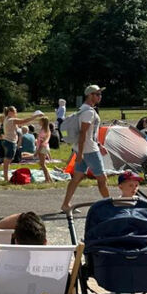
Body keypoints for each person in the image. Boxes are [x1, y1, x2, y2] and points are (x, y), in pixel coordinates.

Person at [61, 85, 110, 214]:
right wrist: (81, 154)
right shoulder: (88, 112)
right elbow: (83, 134)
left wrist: (98, 145)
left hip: (83, 149)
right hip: (88, 151)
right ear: (90, 95)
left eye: (100, 94)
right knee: (102, 178)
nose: (100, 96)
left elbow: (90, 134)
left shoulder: (82, 109)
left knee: (76, 178)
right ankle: (109, 205)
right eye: (97, 94)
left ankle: (66, 205)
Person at [0, 107, 41, 181]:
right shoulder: (12, 120)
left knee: (7, 160)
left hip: (7, 141)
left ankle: (5, 176)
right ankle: (6, 178)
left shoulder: (6, 118)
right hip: (10, 142)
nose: (16, 113)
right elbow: (24, 121)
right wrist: (35, 116)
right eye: (15, 111)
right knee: (8, 160)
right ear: (10, 112)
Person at [35, 117, 52, 184]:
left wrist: (37, 151)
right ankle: (49, 178)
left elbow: (42, 143)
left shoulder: (44, 131)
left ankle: (47, 179)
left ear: (43, 122)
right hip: (43, 147)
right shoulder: (45, 130)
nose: (39, 122)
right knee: (42, 164)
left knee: (42, 164)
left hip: (42, 148)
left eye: (40, 121)